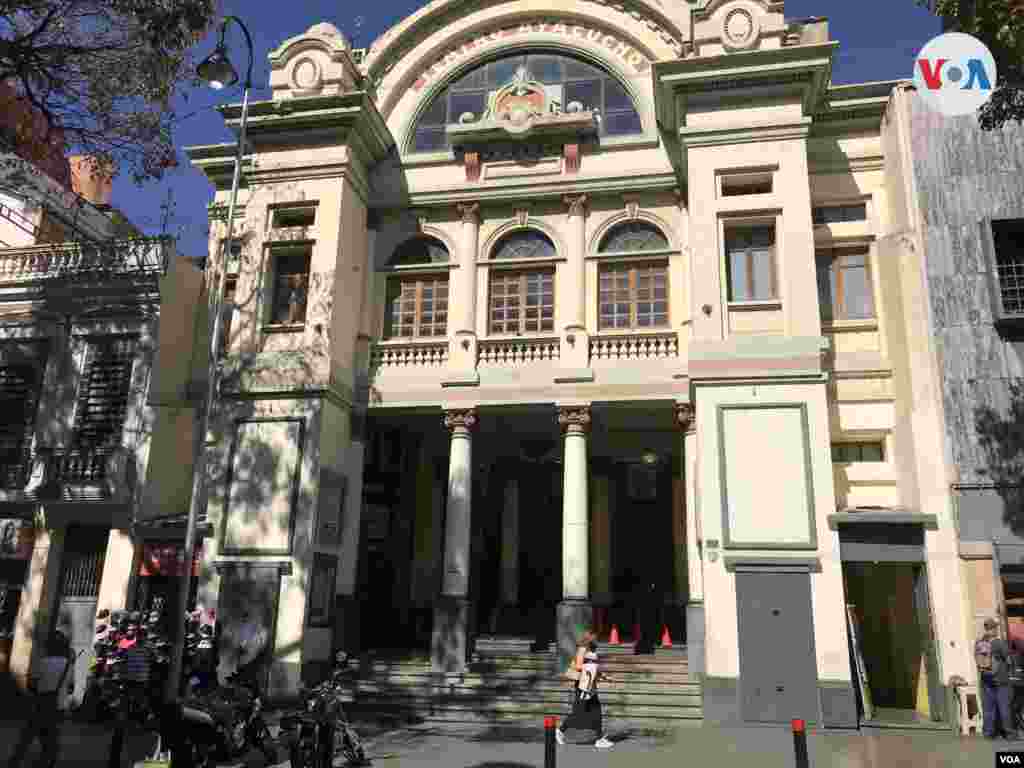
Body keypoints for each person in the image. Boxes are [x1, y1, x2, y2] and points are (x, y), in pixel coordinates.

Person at [8, 631, 75, 768]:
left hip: (40, 704)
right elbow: (70, 687)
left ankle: (15, 761)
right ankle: (47, 762)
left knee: (28, 735)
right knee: (51, 739)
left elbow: (32, 683)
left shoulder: (43, 662)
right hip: (57, 707)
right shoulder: (68, 665)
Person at [555, 639, 614, 750]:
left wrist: (605, 676)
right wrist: (586, 665)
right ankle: (559, 731)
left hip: (590, 687)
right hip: (584, 687)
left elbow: (593, 669)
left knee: (596, 711)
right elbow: (581, 668)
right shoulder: (582, 651)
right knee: (579, 712)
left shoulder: (589, 654)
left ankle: (599, 739)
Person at [977, 617, 1016, 739]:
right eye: (995, 627)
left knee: (989, 708)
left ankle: (988, 733)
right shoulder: (999, 643)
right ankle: (1009, 733)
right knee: (1004, 707)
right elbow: (1009, 660)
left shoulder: (979, 643)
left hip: (986, 680)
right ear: (993, 628)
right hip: (1001, 680)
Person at [231, 610, 268, 692]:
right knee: (246, 675)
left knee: (248, 675)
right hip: (247, 657)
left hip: (251, 657)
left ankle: (249, 693)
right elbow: (240, 642)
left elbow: (260, 644)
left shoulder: (258, 630)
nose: (244, 620)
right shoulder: (246, 628)